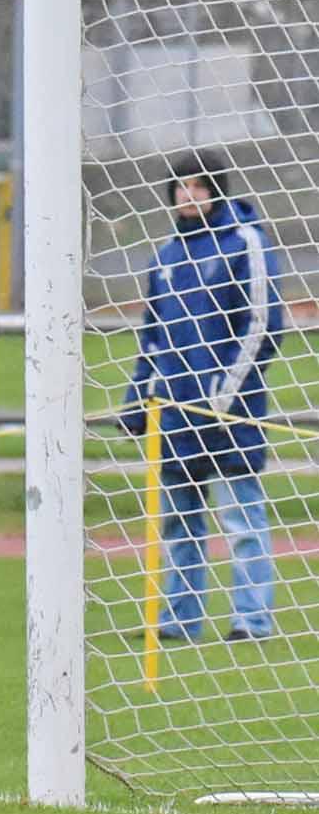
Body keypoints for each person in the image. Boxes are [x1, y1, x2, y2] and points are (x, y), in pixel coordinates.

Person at [127, 154, 279, 643]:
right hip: (173, 412)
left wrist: (223, 395)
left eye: (199, 186)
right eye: (180, 187)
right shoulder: (165, 256)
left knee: (241, 520)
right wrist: (138, 397)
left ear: (217, 190)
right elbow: (152, 335)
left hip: (230, 415)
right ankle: (179, 619)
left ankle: (251, 621)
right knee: (178, 522)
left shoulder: (246, 243)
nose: (189, 195)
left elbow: (262, 324)